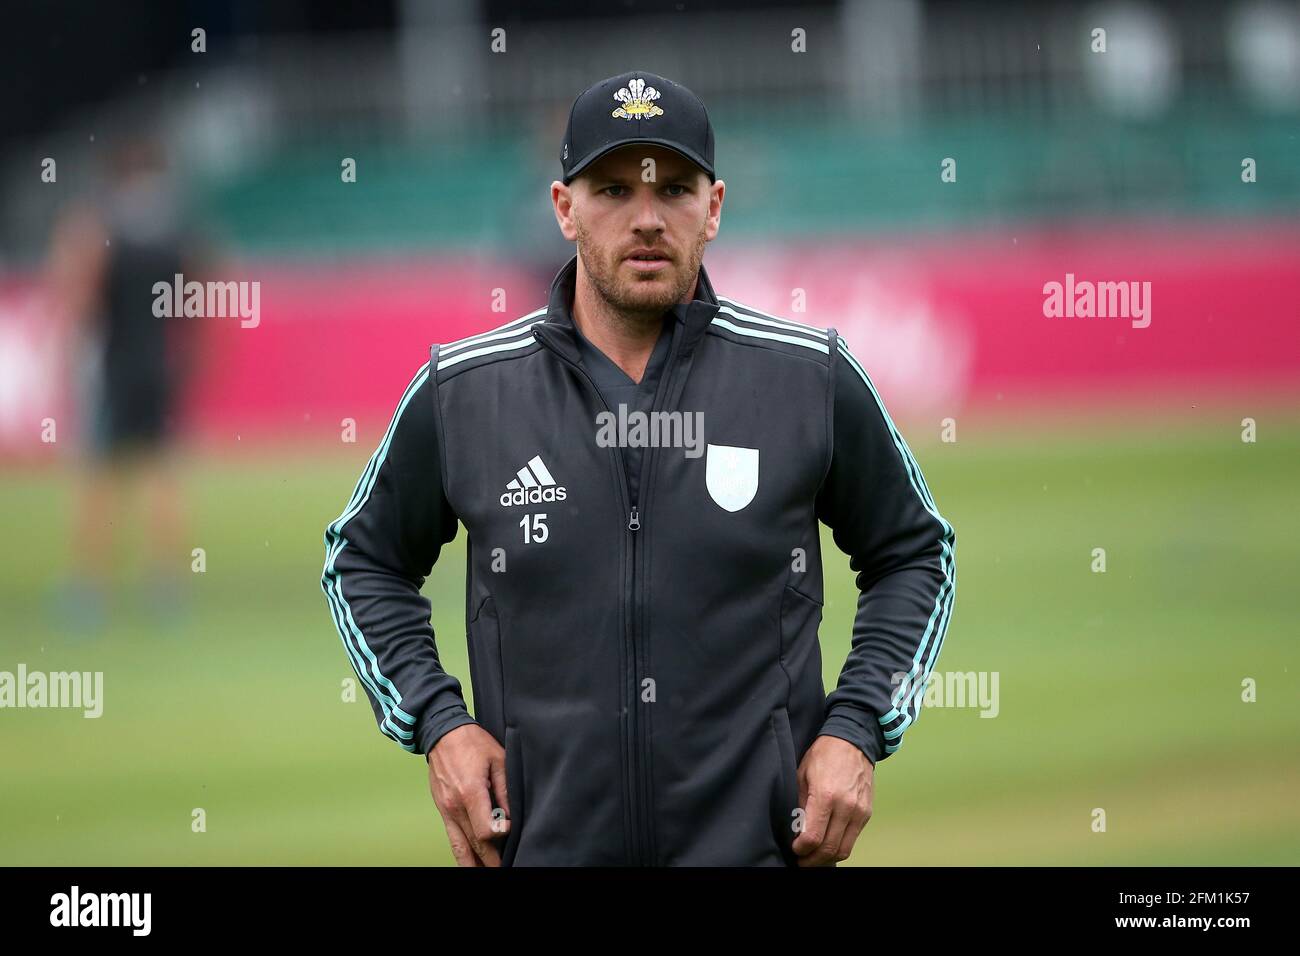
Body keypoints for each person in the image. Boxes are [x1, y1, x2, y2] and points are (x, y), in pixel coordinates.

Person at [321, 71, 955, 866]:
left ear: (714, 207)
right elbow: (363, 561)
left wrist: (857, 728)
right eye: (614, 190)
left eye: (676, 190)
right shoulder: (466, 390)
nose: (647, 218)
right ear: (563, 208)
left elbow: (914, 552)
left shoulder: (808, 377)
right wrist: (438, 722)